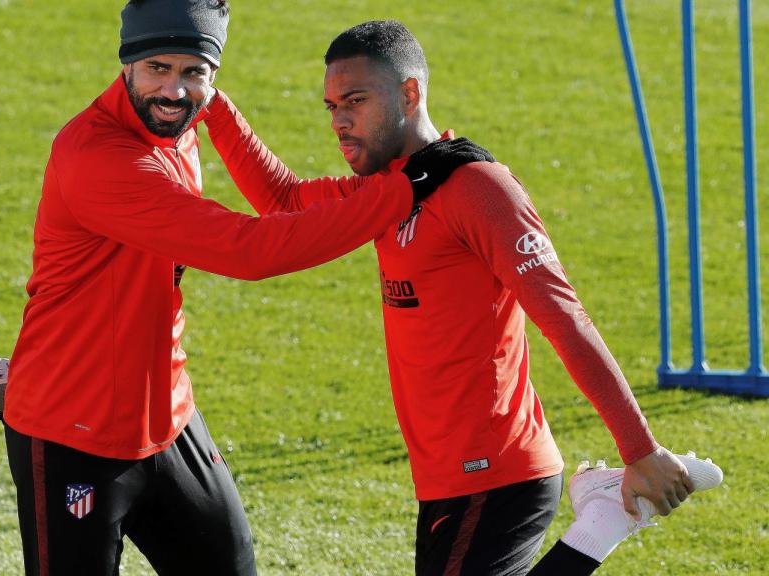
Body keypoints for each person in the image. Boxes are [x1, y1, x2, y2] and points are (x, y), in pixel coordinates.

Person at [199, 19, 723, 575]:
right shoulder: (390, 189)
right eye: (331, 106)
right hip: (446, 477)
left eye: (355, 100)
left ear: (410, 92)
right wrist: (208, 100)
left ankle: (603, 522)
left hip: (497, 473)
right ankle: (598, 522)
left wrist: (639, 449)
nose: (340, 121)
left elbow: (564, 318)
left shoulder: (480, 190)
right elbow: (283, 201)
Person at [0, 3, 443, 575]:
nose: (174, 90)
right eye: (157, 68)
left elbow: (281, 199)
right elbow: (248, 249)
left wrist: (216, 106)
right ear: (126, 64)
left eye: (193, 72)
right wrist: (405, 191)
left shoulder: (177, 121)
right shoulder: (99, 157)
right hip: (71, 434)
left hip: (168, 421)